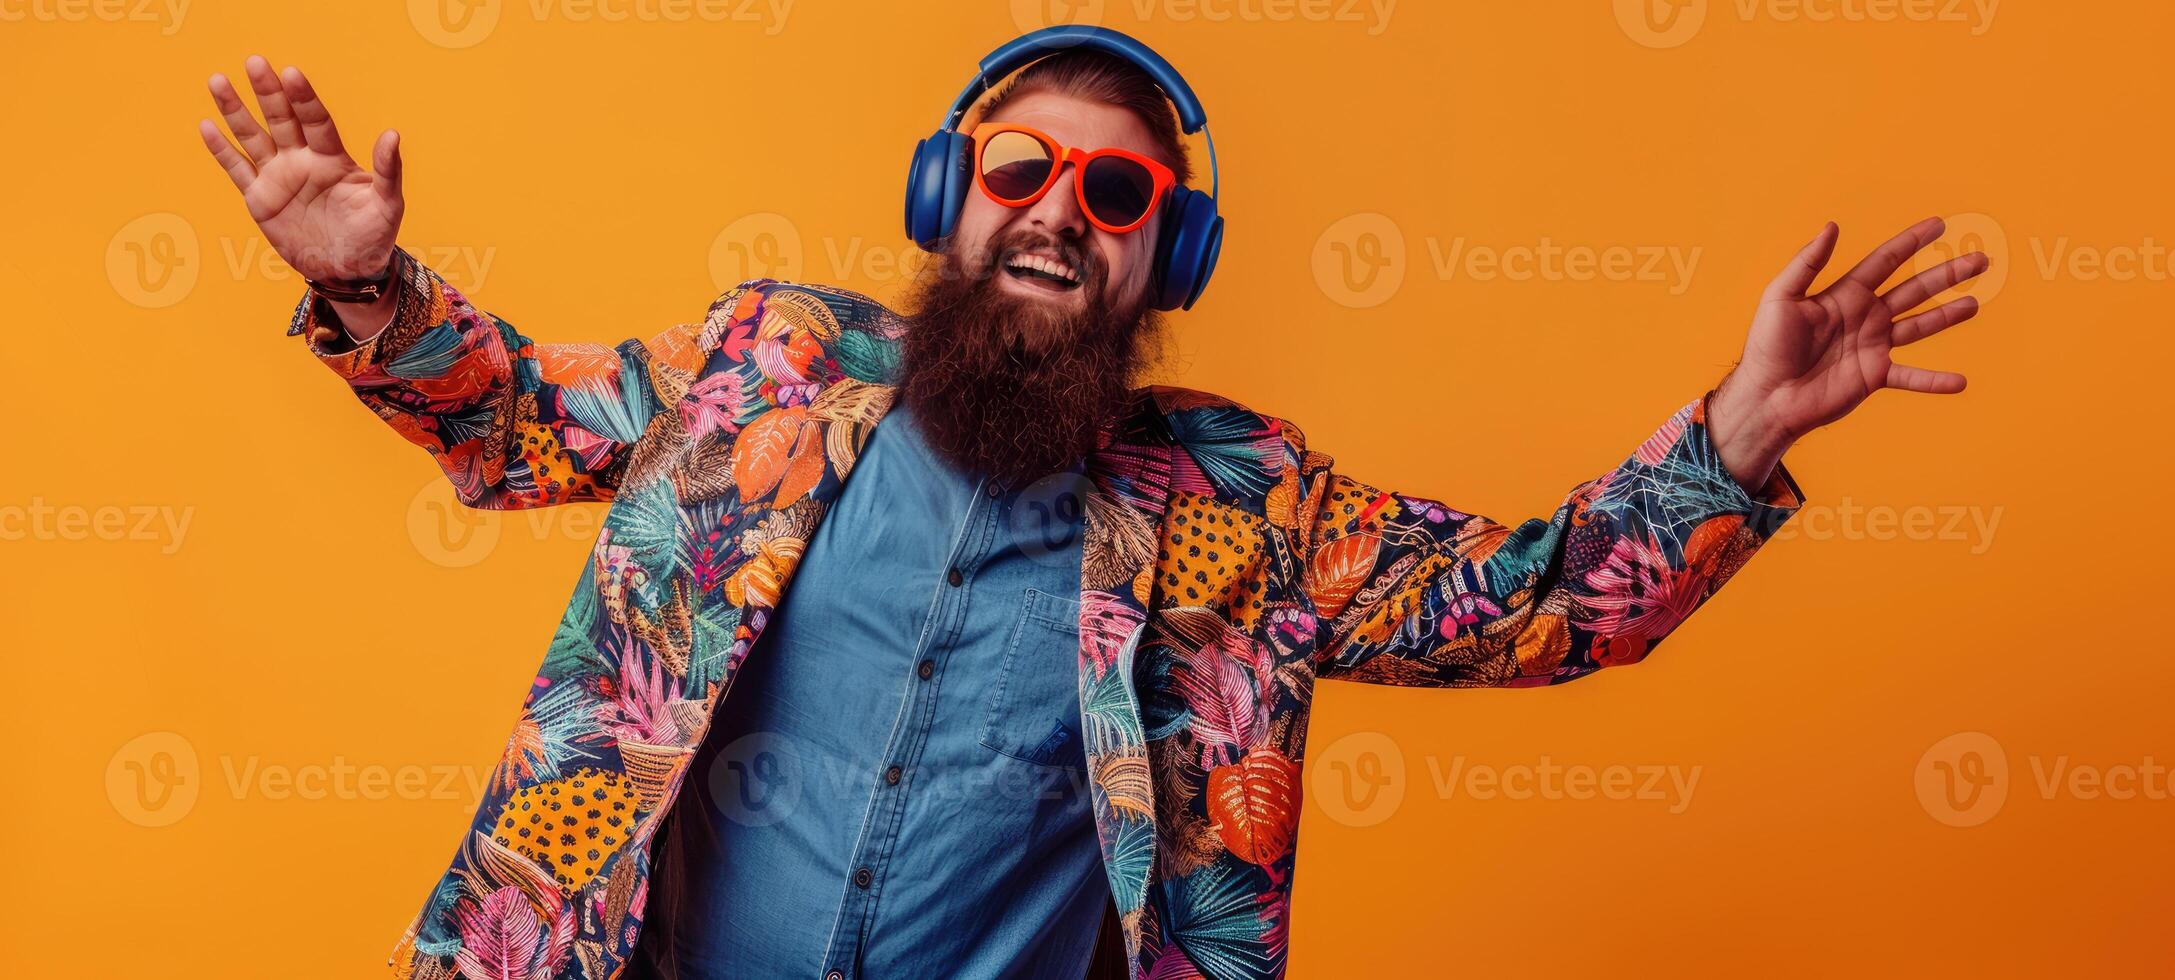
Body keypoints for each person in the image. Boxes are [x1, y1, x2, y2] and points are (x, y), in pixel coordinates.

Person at [196, 26, 1986, 980]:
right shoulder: (763, 369)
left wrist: (1737, 433)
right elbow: (512, 427)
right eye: (1021, 168)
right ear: (948, 199)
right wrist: (373, 287)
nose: (1061, 206)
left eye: (1115, 190)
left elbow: (1523, 608)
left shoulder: (1243, 502)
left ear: (1166, 251)